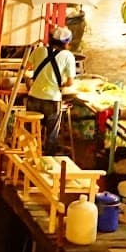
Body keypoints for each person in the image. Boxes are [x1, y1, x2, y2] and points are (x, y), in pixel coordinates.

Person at [20, 26, 77, 155]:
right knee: (51, 136)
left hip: (33, 97)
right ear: (66, 43)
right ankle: (46, 162)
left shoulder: (39, 51)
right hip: (52, 100)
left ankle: (28, 158)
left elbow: (27, 70)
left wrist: (33, 82)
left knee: (30, 133)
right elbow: (70, 82)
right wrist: (61, 84)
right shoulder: (68, 56)